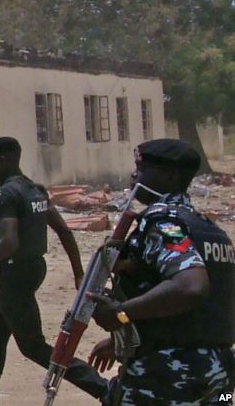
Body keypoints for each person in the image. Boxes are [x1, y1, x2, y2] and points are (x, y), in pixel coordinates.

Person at [88, 139, 234, 405]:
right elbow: (197, 312)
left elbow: (191, 287)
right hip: (219, 381)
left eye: (142, 169)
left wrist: (120, 314)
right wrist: (122, 341)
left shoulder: (162, 221)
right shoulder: (210, 230)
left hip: (167, 379)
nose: (134, 175)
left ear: (170, 176)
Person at [0, 137, 108, 405]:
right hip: (31, 270)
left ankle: (102, 388)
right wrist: (78, 273)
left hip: (15, 273)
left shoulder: (6, 194)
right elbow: (64, 231)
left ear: (5, 159)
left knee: (33, 347)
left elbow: (9, 243)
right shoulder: (34, 190)